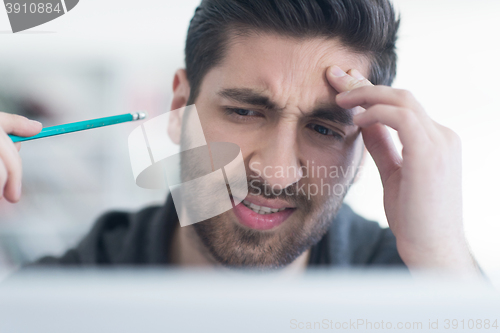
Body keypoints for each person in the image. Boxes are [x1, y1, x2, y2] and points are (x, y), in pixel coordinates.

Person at [0, 0, 482, 276]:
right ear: (179, 105)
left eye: (323, 128)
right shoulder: (63, 294)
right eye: (244, 111)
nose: (274, 170)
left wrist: (442, 258)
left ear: (362, 151)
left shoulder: (422, 288)